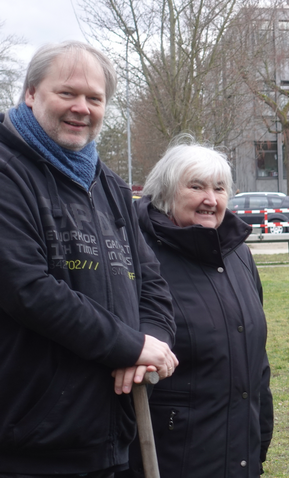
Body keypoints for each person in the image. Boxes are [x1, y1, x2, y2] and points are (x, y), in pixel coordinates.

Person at [0, 41, 177, 476]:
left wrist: (148, 347)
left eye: (94, 99)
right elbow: (27, 288)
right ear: (31, 93)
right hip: (32, 446)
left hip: (111, 435)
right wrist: (127, 344)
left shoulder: (110, 186)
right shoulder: (8, 172)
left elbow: (152, 284)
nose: (82, 108)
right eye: (67, 93)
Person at [118, 140, 273, 477]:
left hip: (240, 453)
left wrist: (260, 435)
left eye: (219, 188)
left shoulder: (237, 254)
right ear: (165, 193)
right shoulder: (138, 253)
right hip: (170, 454)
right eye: (196, 187)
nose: (211, 199)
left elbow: (255, 357)